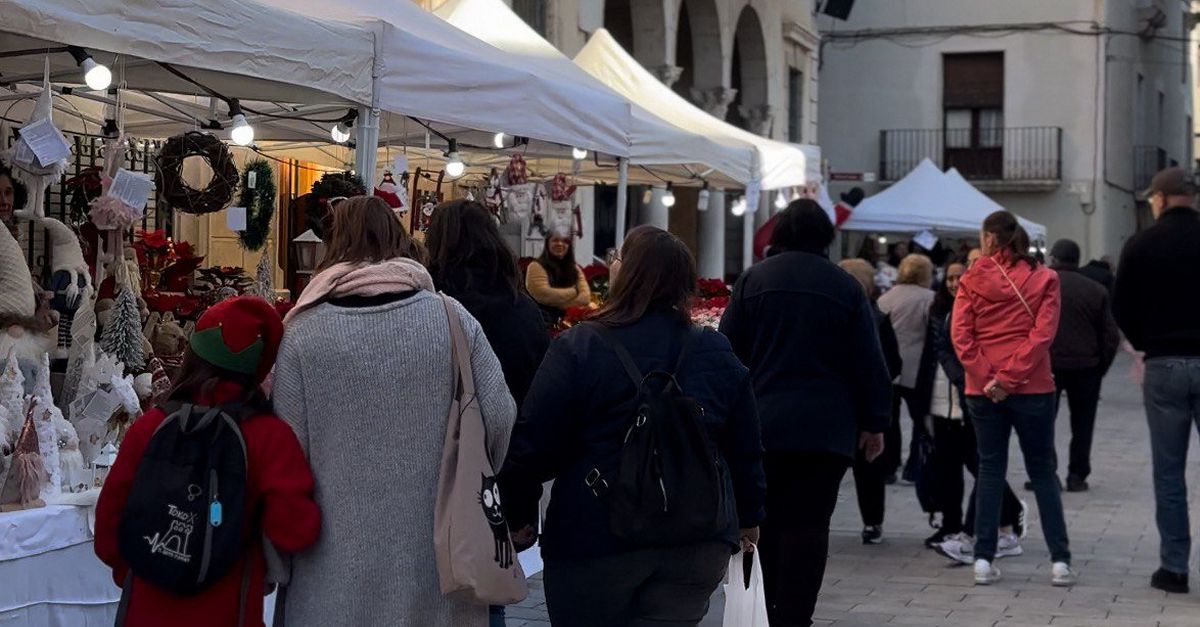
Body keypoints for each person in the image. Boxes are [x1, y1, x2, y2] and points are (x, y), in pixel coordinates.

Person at [502, 226, 766, 627]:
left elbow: (535, 442)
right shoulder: (713, 349)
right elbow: (744, 445)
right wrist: (749, 516)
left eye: (618, 256)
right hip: (694, 536)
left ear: (628, 273)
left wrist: (518, 514)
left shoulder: (581, 346)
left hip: (595, 534)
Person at [273, 196, 517, 626]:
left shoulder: (301, 333)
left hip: (331, 568)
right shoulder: (452, 319)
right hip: (439, 561)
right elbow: (498, 418)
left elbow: (287, 456)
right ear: (400, 241)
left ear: (333, 245)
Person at [95, 297, 320, 627]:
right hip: (230, 611)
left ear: (193, 355)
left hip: (145, 610)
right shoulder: (269, 438)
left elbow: (107, 532)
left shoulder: (150, 426)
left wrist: (153, 569)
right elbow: (295, 531)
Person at [720, 200, 891, 626]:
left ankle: (767, 603)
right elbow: (869, 362)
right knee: (811, 527)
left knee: (763, 519)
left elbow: (726, 352)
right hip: (826, 432)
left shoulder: (753, 281)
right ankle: (796, 616)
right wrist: (875, 423)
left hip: (762, 424)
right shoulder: (846, 287)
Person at [425, 199, 551, 627]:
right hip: (500, 482)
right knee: (486, 592)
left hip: (431, 477)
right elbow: (536, 411)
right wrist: (521, 507)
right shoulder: (524, 311)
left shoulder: (431, 308)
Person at [952, 210, 1074, 587]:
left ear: (989, 238)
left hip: (983, 390)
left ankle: (983, 559)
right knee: (1042, 471)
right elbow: (1043, 334)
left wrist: (990, 378)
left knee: (990, 471)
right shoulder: (1045, 278)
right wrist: (1012, 376)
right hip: (1034, 386)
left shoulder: (971, 278)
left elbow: (961, 335)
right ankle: (1059, 561)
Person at [1113, 166, 1200, 594]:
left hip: (1164, 364)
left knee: (1169, 473)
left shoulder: (1141, 244)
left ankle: (1175, 568)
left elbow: (1121, 306)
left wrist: (1146, 343)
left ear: (1161, 199)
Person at [928, 261, 1025, 563]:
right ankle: (959, 526)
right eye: (951, 277)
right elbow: (937, 352)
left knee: (982, 466)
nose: (955, 283)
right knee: (955, 467)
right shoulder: (939, 311)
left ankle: (986, 529)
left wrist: (972, 378)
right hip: (943, 403)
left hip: (974, 398)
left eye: (960, 277)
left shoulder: (981, 310)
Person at [1048, 238, 1120, 493]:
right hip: (1086, 367)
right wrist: (1102, 364)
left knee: (1044, 422)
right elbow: (1111, 335)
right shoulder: (1095, 290)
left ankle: (1046, 473)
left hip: (1048, 366)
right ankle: (1077, 475)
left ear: (1054, 259)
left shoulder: (1041, 287)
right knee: (1083, 424)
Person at [839, 258, 902, 545]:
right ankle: (872, 522)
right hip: (866, 405)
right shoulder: (878, 318)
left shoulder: (830, 316)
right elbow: (893, 364)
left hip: (837, 405)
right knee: (869, 468)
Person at [877, 253, 936, 484]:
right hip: (918, 367)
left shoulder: (886, 298)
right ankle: (914, 466)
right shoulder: (929, 298)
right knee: (920, 419)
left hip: (889, 367)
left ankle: (888, 466)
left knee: (890, 419)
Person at [525, 229, 591, 319]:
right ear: (547, 244)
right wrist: (575, 291)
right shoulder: (535, 267)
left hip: (569, 323)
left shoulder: (575, 268)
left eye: (565, 241)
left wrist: (561, 304)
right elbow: (545, 295)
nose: (560, 244)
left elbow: (585, 298)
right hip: (542, 322)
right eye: (555, 240)